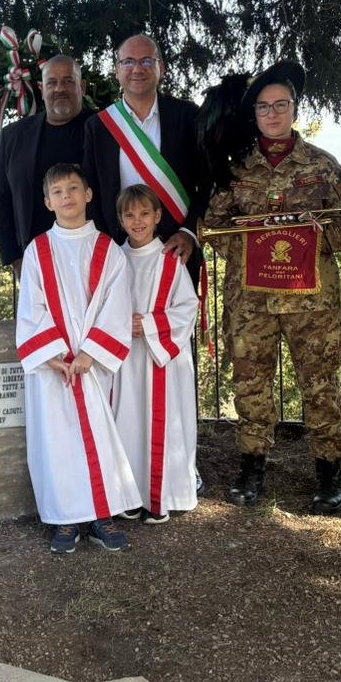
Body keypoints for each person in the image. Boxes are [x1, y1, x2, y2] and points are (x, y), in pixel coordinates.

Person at [201, 62, 341, 512]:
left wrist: (310, 235)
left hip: (312, 301)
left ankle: (329, 470)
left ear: (294, 109)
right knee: (251, 384)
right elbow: (212, 227)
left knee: (321, 385)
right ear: (254, 114)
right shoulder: (235, 171)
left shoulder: (322, 166)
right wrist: (252, 240)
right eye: (264, 107)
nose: (272, 114)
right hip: (251, 301)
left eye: (281, 105)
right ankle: (252, 467)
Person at [15, 162, 141, 554]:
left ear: (88, 194)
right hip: (53, 367)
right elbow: (31, 307)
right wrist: (54, 356)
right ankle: (65, 519)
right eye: (57, 191)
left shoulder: (109, 251)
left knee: (100, 437)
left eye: (73, 188)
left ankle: (102, 515)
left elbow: (117, 307)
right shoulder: (37, 251)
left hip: (92, 366)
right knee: (56, 440)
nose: (66, 196)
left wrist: (89, 354)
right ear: (47, 202)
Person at [82, 34, 208, 282]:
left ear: (162, 68)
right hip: (118, 253)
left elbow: (207, 182)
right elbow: (90, 193)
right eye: (128, 62)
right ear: (117, 70)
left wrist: (189, 232)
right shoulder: (98, 126)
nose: (137, 69)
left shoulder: (188, 116)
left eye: (147, 61)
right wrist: (105, 245)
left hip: (177, 249)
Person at [112, 184, 200, 524]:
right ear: (120, 220)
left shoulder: (170, 261)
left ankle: (161, 494)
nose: (138, 221)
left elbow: (187, 308)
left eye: (145, 214)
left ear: (158, 216)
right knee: (127, 422)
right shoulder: (113, 260)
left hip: (160, 359)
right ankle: (129, 494)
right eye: (130, 215)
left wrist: (148, 325)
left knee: (163, 423)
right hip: (124, 361)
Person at [0, 54, 94, 275]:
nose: (59, 89)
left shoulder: (102, 130)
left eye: (68, 81)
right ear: (41, 88)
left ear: (82, 87)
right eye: (52, 83)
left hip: (94, 259)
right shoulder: (13, 136)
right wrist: (15, 258)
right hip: (34, 262)